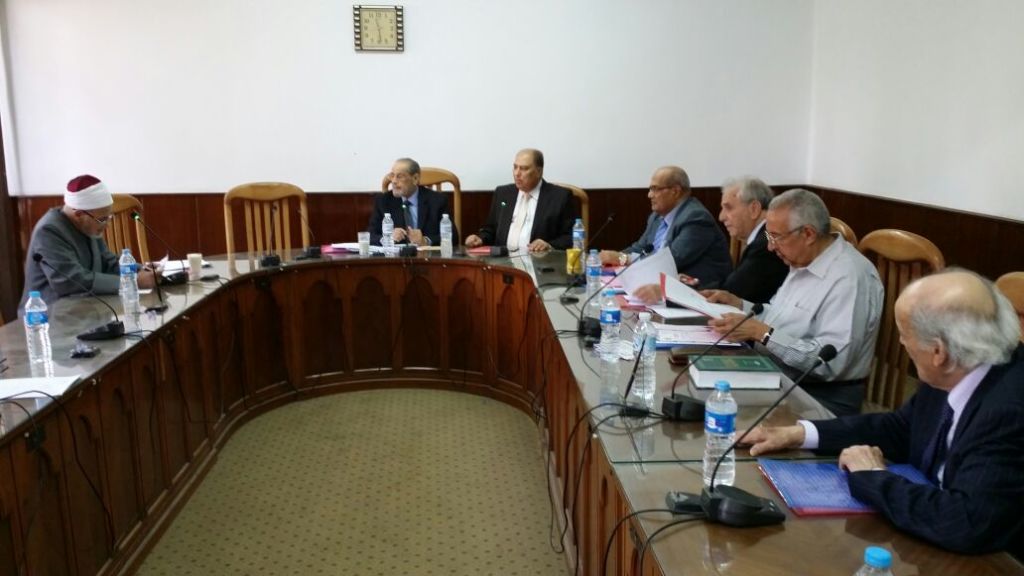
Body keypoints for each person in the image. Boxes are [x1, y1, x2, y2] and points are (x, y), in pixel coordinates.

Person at [744, 269, 1024, 556]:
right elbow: (901, 428)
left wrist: (872, 476)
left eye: (904, 335)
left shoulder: (1008, 411)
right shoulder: (963, 362)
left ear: (938, 352)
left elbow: (965, 522)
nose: (902, 344)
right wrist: (801, 433)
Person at [704, 189, 882, 416]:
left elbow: (829, 362)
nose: (770, 247)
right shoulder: (803, 260)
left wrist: (762, 333)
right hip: (779, 375)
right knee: (705, 393)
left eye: (776, 237)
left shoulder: (849, 278)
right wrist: (740, 305)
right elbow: (780, 317)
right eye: (768, 237)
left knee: (724, 415)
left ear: (808, 234)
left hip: (822, 396)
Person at [632, 176, 788, 304]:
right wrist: (688, 284)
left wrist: (671, 290)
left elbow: (730, 294)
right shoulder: (763, 236)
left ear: (754, 209)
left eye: (728, 208)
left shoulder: (765, 245)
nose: (721, 217)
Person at [20, 174, 156, 308]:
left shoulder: (87, 224)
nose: (107, 225)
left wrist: (144, 270)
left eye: (109, 217)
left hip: (87, 307)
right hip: (49, 315)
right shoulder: (49, 231)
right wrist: (131, 282)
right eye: (103, 219)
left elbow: (108, 263)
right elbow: (70, 281)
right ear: (79, 214)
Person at [599, 166, 732, 288]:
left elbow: (670, 262)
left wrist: (622, 259)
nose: (649, 195)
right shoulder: (657, 217)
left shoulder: (696, 218)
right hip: (663, 285)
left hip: (701, 291)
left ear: (675, 191)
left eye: (655, 189)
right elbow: (640, 248)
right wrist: (612, 258)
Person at [464, 149, 575, 252]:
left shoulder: (559, 197)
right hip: (502, 261)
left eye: (524, 168)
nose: (517, 173)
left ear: (539, 171)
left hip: (539, 262)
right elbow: (491, 229)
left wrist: (549, 245)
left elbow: (571, 237)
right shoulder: (503, 194)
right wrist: (480, 238)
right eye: (515, 167)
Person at [368, 158, 457, 247]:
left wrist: (425, 240)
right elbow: (370, 236)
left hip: (427, 254)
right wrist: (388, 238)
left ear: (415, 178)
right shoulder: (383, 200)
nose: (394, 181)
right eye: (392, 176)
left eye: (399, 176)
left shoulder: (437, 201)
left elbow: (453, 237)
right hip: (397, 255)